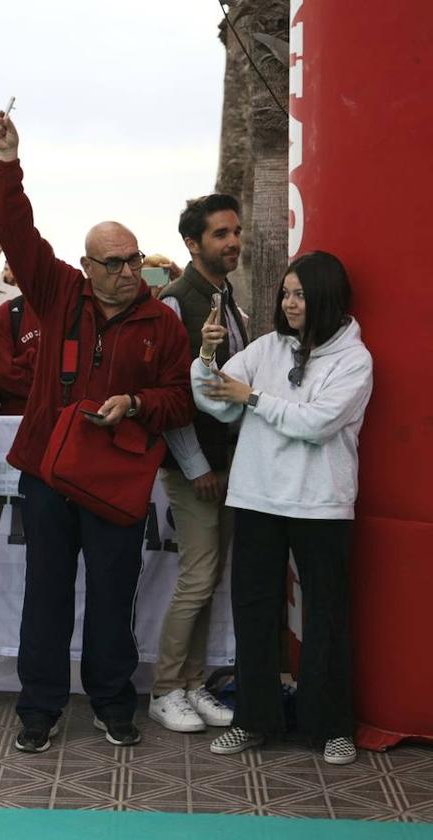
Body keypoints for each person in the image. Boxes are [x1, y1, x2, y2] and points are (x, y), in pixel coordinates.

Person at [0, 111, 192, 753]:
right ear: (88, 264)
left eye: (135, 259)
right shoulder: (57, 292)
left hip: (117, 481)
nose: (130, 271)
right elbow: (14, 230)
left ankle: (112, 703)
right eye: (115, 262)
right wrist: (8, 161)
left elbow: (183, 399)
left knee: (113, 597)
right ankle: (39, 709)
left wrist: (134, 403)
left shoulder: (163, 323)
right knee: (45, 597)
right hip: (49, 473)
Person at [195, 252, 371, 766]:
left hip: (321, 503)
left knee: (326, 617)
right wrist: (207, 358)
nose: (290, 303)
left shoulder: (355, 360)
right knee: (252, 612)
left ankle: (331, 727)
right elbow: (216, 398)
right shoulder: (266, 347)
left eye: (299, 294)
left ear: (326, 298)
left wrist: (254, 398)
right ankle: (254, 720)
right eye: (286, 293)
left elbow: (314, 423)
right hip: (256, 497)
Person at [147, 194, 249, 734]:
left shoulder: (226, 296)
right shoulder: (173, 300)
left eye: (235, 231)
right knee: (197, 577)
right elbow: (169, 396)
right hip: (197, 468)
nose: (232, 241)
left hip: (230, 462)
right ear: (193, 243)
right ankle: (165, 688)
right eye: (220, 234)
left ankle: (189, 682)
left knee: (208, 579)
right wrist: (194, 467)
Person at [0, 294, 40, 415]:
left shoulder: (68, 311)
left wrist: (23, 360)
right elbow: (3, 374)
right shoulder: (10, 310)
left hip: (56, 418)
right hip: (14, 419)